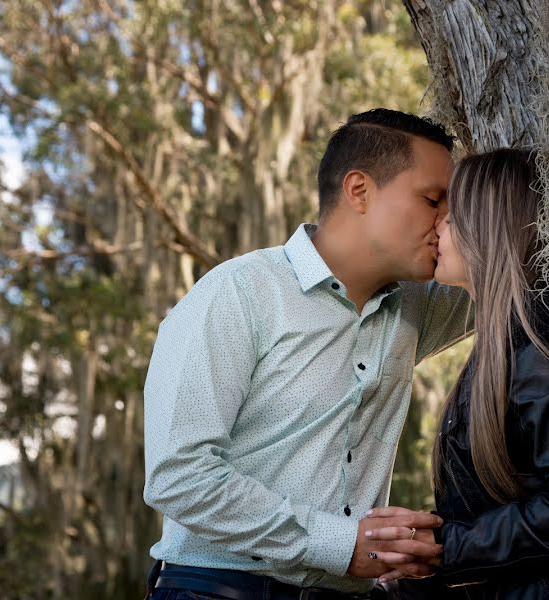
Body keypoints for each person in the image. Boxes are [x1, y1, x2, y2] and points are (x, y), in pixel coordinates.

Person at [141, 109, 473, 600]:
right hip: (214, 590)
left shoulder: (418, 305)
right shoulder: (239, 292)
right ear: (358, 191)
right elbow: (179, 475)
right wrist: (340, 545)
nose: (447, 222)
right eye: (432, 200)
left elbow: (512, 268)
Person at [364, 149, 549, 599]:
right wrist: (424, 560)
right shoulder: (503, 346)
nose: (437, 226)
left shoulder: (536, 343)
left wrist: (443, 549)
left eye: (452, 218)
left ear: (488, 232)